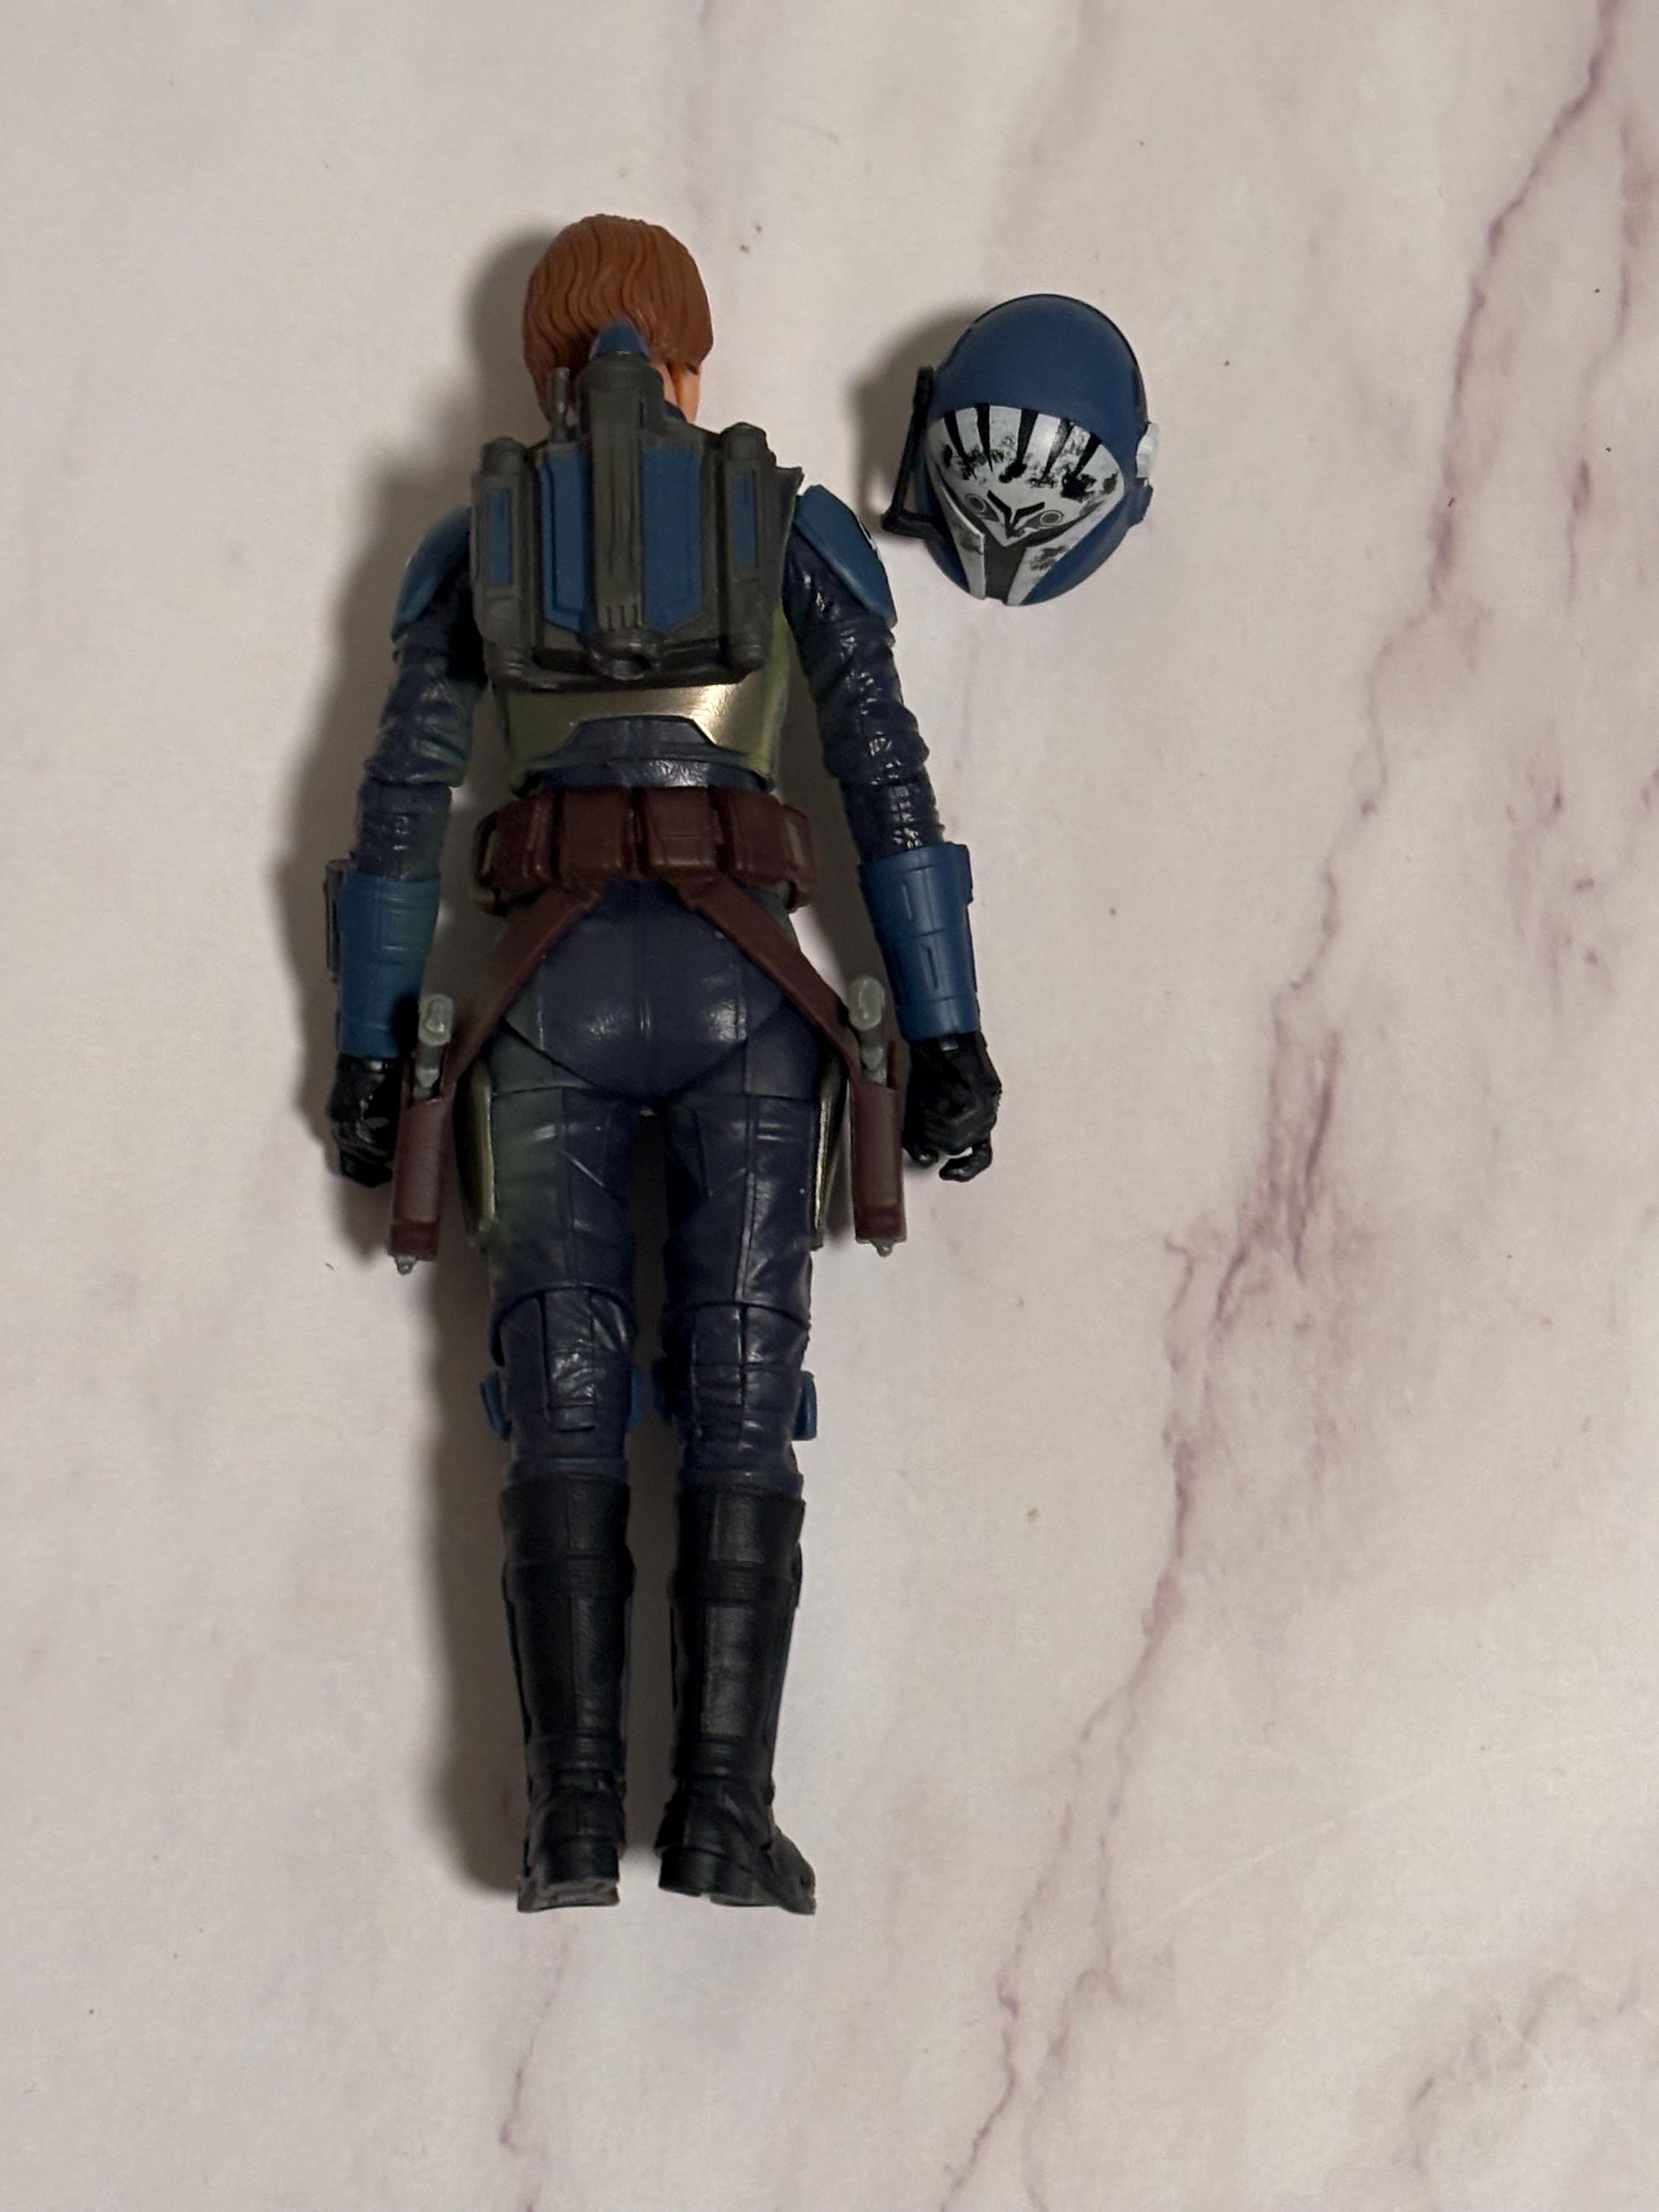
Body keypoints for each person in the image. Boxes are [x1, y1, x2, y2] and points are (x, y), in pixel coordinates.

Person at [325, 215, 1000, 1913]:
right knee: (743, 1395)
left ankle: (568, 1819)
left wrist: (367, 1051)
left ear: (541, 372)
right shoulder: (789, 527)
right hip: (743, 990)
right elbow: (886, 778)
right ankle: (719, 1811)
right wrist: (947, 1025)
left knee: (556, 1399)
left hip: (541, 996)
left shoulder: (480, 542)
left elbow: (400, 816)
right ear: (692, 366)